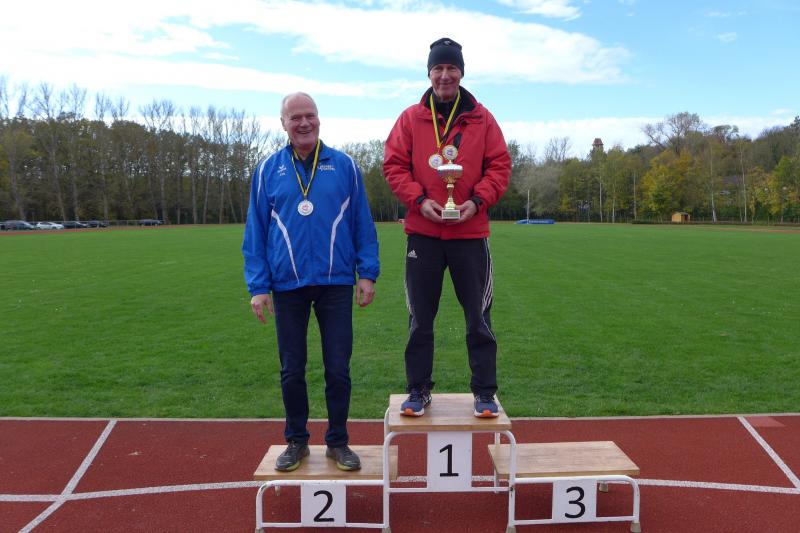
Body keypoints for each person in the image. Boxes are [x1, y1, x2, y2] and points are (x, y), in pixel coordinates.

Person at [243, 92, 379, 471]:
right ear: (283, 124)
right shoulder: (267, 170)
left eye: (310, 115)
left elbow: (362, 222)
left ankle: (338, 441)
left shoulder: (344, 165)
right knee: (292, 369)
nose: (304, 123)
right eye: (295, 117)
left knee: (338, 367)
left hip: (336, 282)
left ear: (319, 119)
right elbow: (256, 231)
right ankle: (296, 441)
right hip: (288, 284)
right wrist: (258, 286)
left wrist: (367, 273)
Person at [383, 38, 511, 418]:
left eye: (451, 68)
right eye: (437, 68)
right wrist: (420, 201)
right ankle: (418, 390)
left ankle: (484, 393)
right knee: (420, 319)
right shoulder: (410, 118)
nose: (444, 75)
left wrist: (477, 201)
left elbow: (500, 166)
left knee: (479, 317)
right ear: (429, 73)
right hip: (423, 233)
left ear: (461, 72)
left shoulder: (482, 119)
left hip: (470, 234)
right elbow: (393, 165)